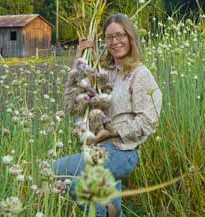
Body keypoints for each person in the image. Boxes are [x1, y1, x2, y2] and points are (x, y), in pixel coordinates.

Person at [52, 13, 162, 217]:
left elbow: (148, 121)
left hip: (121, 153)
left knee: (54, 172)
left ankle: (105, 209)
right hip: (98, 149)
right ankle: (112, 210)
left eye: (120, 35)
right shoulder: (102, 71)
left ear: (130, 37)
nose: (115, 41)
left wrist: (109, 132)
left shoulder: (140, 74)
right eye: (109, 37)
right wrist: (79, 59)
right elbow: (71, 105)